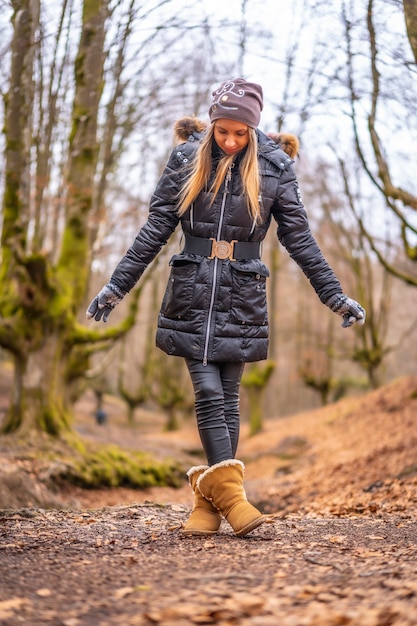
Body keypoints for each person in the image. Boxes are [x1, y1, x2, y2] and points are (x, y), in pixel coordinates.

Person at [86, 78, 365, 537]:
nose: (231, 141)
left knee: (230, 400)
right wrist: (116, 286)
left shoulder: (275, 167)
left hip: (244, 293)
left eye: (240, 133)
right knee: (209, 394)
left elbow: (299, 240)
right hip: (191, 290)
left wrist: (335, 296)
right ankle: (235, 501)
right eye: (223, 131)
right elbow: (155, 228)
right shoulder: (185, 158)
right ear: (212, 124)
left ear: (253, 130)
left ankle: (206, 507)